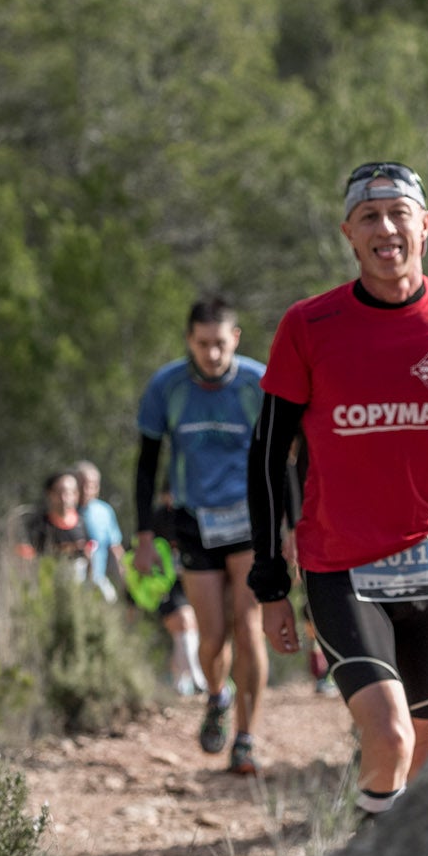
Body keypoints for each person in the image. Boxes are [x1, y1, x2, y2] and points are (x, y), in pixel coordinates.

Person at [246, 161, 428, 826]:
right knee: (391, 738)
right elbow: (265, 455)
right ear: (349, 233)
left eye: (399, 212)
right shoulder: (309, 326)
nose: (386, 228)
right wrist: (268, 585)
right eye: (369, 217)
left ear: (424, 226)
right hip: (340, 564)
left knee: (425, 760)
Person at [135, 297, 272, 775]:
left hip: (251, 521)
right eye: (202, 344)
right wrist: (146, 533)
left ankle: (247, 738)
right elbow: (147, 463)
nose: (212, 354)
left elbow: (287, 457)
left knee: (248, 625)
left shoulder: (258, 383)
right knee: (211, 639)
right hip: (195, 522)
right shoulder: (167, 387)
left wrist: (293, 526)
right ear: (189, 341)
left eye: (220, 343)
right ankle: (217, 695)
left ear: (235, 338)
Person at [17, 470, 92, 580]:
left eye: (71, 492)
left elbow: (89, 557)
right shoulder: (38, 524)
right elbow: (25, 560)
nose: (65, 498)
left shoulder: (82, 523)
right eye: (60, 492)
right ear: (50, 494)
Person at [73, 459, 125, 602]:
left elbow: (115, 547)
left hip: (97, 580)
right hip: (72, 584)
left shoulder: (104, 511)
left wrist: (125, 579)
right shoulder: (66, 512)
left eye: (91, 486)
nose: (86, 490)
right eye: (82, 484)